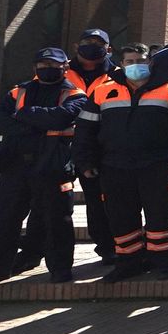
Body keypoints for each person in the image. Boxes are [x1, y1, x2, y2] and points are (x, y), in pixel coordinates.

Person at [73, 43, 168, 282]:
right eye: (129, 61)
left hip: (159, 164)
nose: (135, 65)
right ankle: (128, 262)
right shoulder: (103, 90)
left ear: (150, 62)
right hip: (114, 164)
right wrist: (85, 161)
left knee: (160, 216)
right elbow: (86, 129)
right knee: (120, 216)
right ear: (121, 64)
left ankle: (163, 262)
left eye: (141, 60)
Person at [0, 48, 86, 282]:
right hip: (15, 165)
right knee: (5, 218)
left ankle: (60, 270)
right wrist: (39, 124)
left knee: (58, 220)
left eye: (54, 64)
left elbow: (60, 118)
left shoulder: (76, 94)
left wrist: (24, 114)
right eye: (43, 64)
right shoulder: (17, 91)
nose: (47, 68)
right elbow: (3, 122)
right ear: (34, 67)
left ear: (65, 67)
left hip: (53, 166)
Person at [65, 28, 117, 262]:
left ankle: (106, 247)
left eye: (98, 43)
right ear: (77, 46)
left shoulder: (118, 75)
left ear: (108, 49)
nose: (92, 46)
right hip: (60, 146)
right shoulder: (60, 70)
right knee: (53, 204)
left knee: (99, 202)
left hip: (98, 147)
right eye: (88, 41)